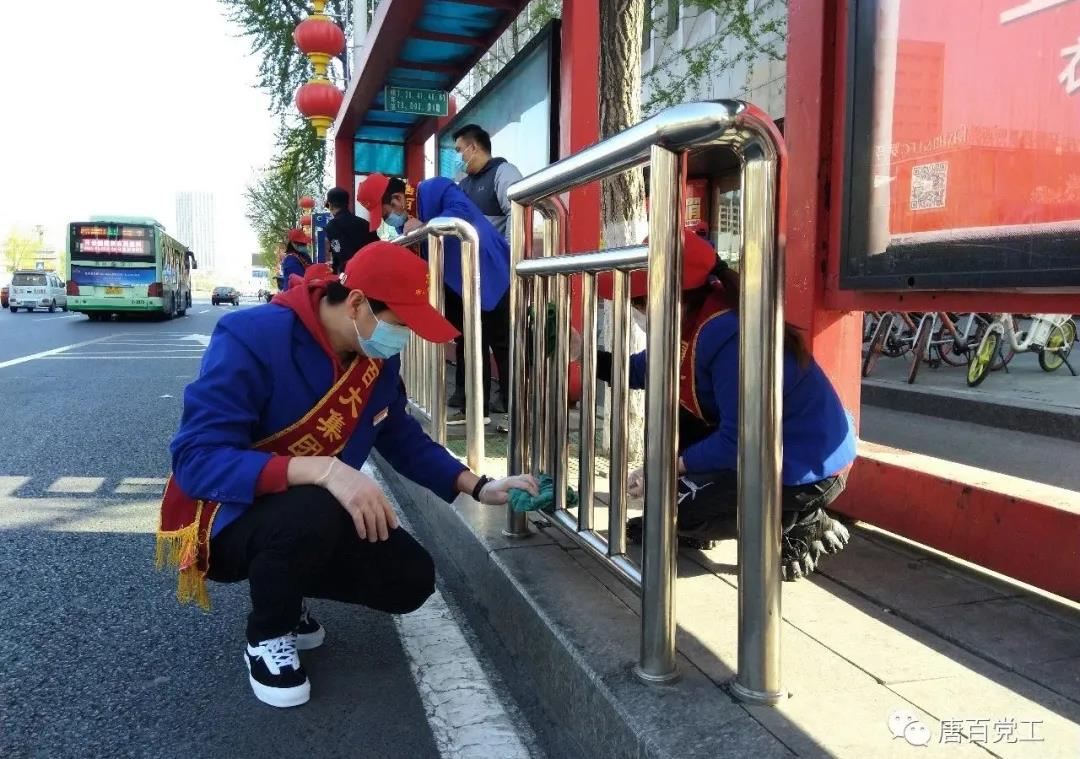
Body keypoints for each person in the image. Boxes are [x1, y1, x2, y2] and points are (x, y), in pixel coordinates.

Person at [159, 242, 538, 708]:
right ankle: (268, 634)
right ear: (357, 303)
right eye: (400, 325)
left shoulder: (375, 356)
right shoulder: (253, 336)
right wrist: (324, 470)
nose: (403, 339)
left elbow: (398, 435)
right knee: (316, 504)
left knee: (410, 577)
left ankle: (287, 586)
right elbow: (196, 460)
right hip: (228, 515)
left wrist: (478, 485)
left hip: (305, 510)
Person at [588, 229, 856, 581]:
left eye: (639, 302)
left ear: (672, 296)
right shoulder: (691, 319)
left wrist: (666, 468)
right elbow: (642, 370)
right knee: (663, 503)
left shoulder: (730, 334)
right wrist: (581, 353)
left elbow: (739, 440)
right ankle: (706, 521)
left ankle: (803, 520)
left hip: (803, 468)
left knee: (669, 509)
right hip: (762, 452)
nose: (636, 312)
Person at [358, 173, 512, 429]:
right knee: (468, 341)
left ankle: (516, 410)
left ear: (397, 199)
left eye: (385, 215)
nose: (388, 221)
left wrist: (427, 225)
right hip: (456, 284)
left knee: (502, 344)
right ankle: (474, 407)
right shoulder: (405, 224)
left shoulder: (434, 188)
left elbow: (462, 211)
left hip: (488, 272)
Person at [453, 124, 522, 243]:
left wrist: (508, 252)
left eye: (458, 150)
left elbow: (517, 213)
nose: (456, 157)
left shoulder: (504, 172)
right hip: (467, 254)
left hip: (495, 254)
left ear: (472, 148)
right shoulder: (463, 184)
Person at [324, 186, 380, 274]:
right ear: (347, 204)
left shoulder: (332, 226)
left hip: (350, 275)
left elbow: (339, 256)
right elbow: (377, 248)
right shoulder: (365, 223)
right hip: (372, 271)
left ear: (330, 205)